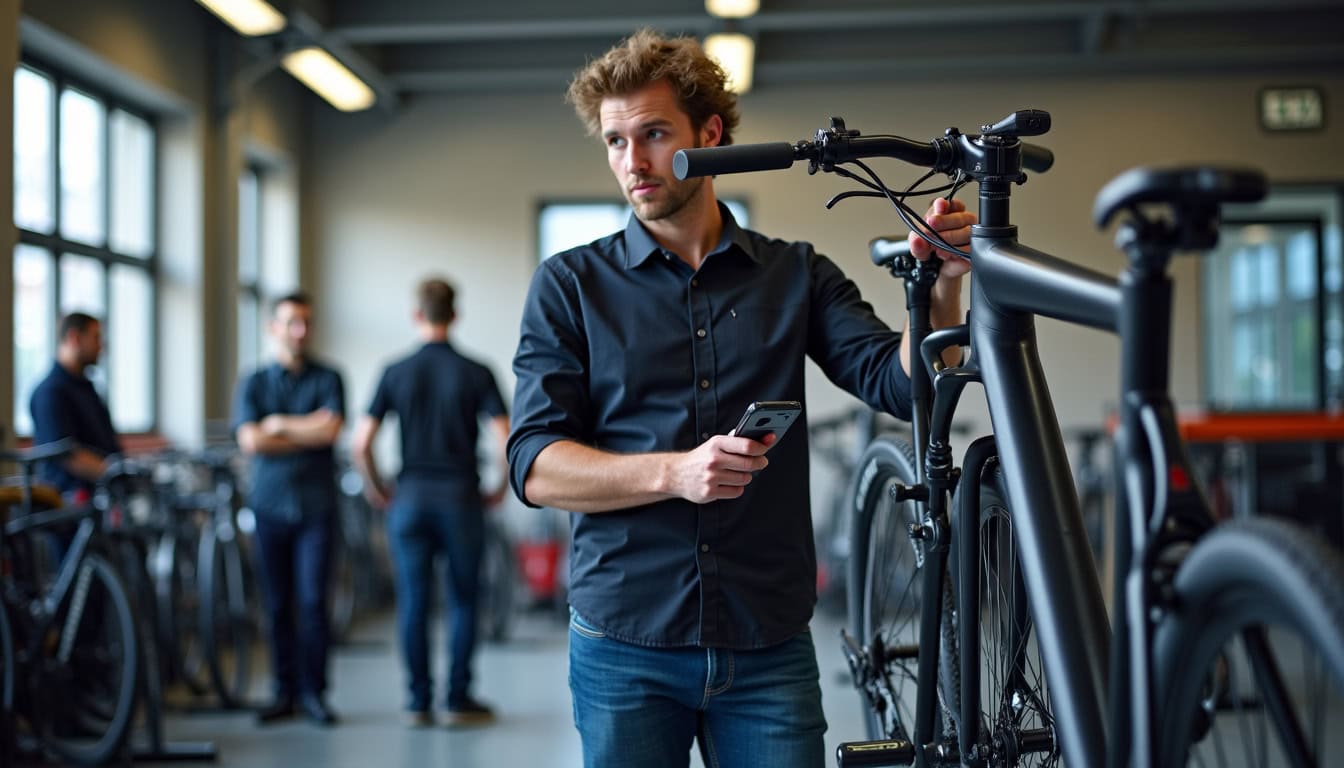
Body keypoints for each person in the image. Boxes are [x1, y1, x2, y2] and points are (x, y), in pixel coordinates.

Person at [506, 29, 973, 768]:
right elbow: (534, 467)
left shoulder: (796, 275)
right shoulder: (569, 286)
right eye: (616, 141)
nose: (634, 162)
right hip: (627, 643)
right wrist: (674, 473)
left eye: (654, 134)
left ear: (710, 134)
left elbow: (899, 381)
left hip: (767, 642)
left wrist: (944, 287)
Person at [351, 277, 510, 728]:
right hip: (461, 497)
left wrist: (377, 487)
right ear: (455, 315)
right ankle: (458, 699)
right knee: (463, 599)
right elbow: (504, 436)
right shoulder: (477, 371)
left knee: (414, 602)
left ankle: (417, 701)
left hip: (411, 499)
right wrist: (499, 486)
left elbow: (361, 442)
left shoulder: (394, 370)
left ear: (416, 315)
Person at [232, 292, 346, 727]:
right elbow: (251, 441)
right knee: (277, 603)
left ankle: (314, 693)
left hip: (317, 508)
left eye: (306, 322)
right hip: (269, 506)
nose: (300, 331)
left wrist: (278, 423)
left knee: (315, 602)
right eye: (292, 322)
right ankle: (284, 692)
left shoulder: (329, 377)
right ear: (273, 327)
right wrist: (305, 429)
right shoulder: (255, 382)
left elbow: (331, 431)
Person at [29, 312, 121, 499]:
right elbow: (68, 456)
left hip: (101, 497)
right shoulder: (50, 392)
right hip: (69, 505)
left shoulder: (88, 389)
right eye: (96, 337)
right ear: (74, 337)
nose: (101, 346)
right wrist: (119, 477)